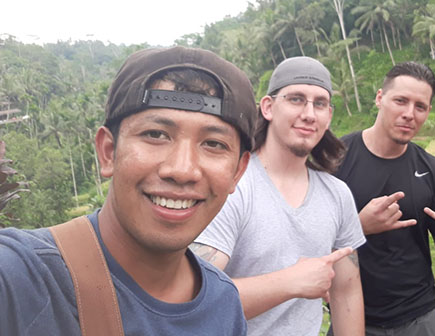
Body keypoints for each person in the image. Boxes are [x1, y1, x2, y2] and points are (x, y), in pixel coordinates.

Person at [0, 46, 258, 335]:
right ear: (108, 152)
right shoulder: (20, 279)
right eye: (155, 134)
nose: (182, 170)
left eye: (213, 144)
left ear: (237, 172)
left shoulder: (223, 304)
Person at [192, 56, 366, 335]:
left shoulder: (337, 194)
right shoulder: (234, 188)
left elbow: (346, 292)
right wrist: (290, 282)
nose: (309, 114)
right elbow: (193, 300)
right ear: (268, 107)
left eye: (320, 103)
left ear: (329, 116)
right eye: (296, 99)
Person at [335, 61, 435, 335]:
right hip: (352, 317)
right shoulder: (336, 159)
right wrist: (358, 227)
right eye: (400, 101)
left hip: (420, 317)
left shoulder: (433, 170)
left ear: (428, 111)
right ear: (380, 98)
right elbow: (306, 245)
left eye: (420, 107)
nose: (409, 114)